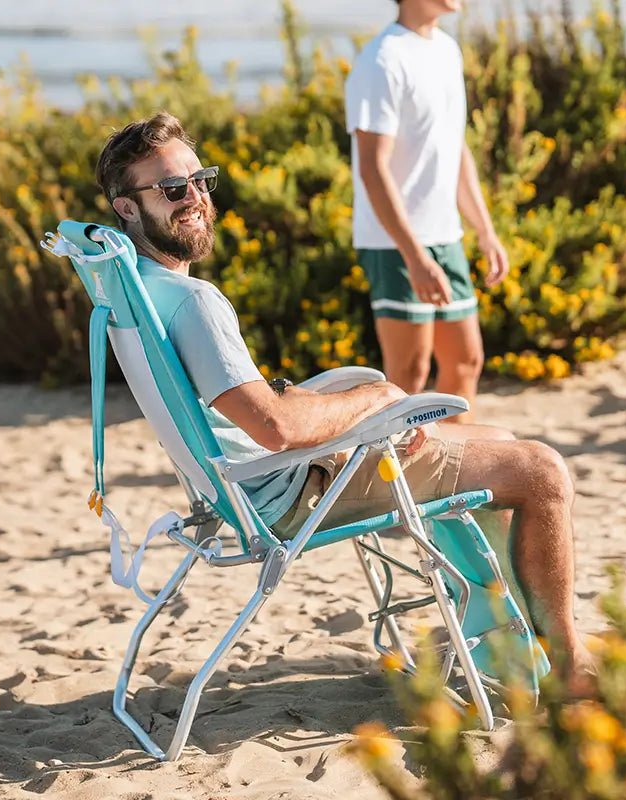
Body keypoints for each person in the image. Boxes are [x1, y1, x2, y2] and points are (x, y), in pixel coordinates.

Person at [94, 111, 592, 689]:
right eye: (172, 189)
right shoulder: (191, 301)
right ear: (128, 208)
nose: (195, 197)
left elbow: (251, 413)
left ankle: (518, 641)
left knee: (500, 445)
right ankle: (570, 667)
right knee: (542, 472)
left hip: (255, 485)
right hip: (293, 492)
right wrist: (374, 399)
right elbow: (275, 429)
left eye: (200, 180)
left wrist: (345, 408)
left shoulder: (134, 292)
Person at [345, 0, 510, 423]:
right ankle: (388, 477)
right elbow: (372, 169)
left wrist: (485, 231)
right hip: (394, 244)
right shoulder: (381, 60)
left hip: (445, 237)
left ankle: (453, 463)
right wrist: (415, 257)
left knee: (466, 362)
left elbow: (455, 150)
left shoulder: (447, 50)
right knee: (409, 374)